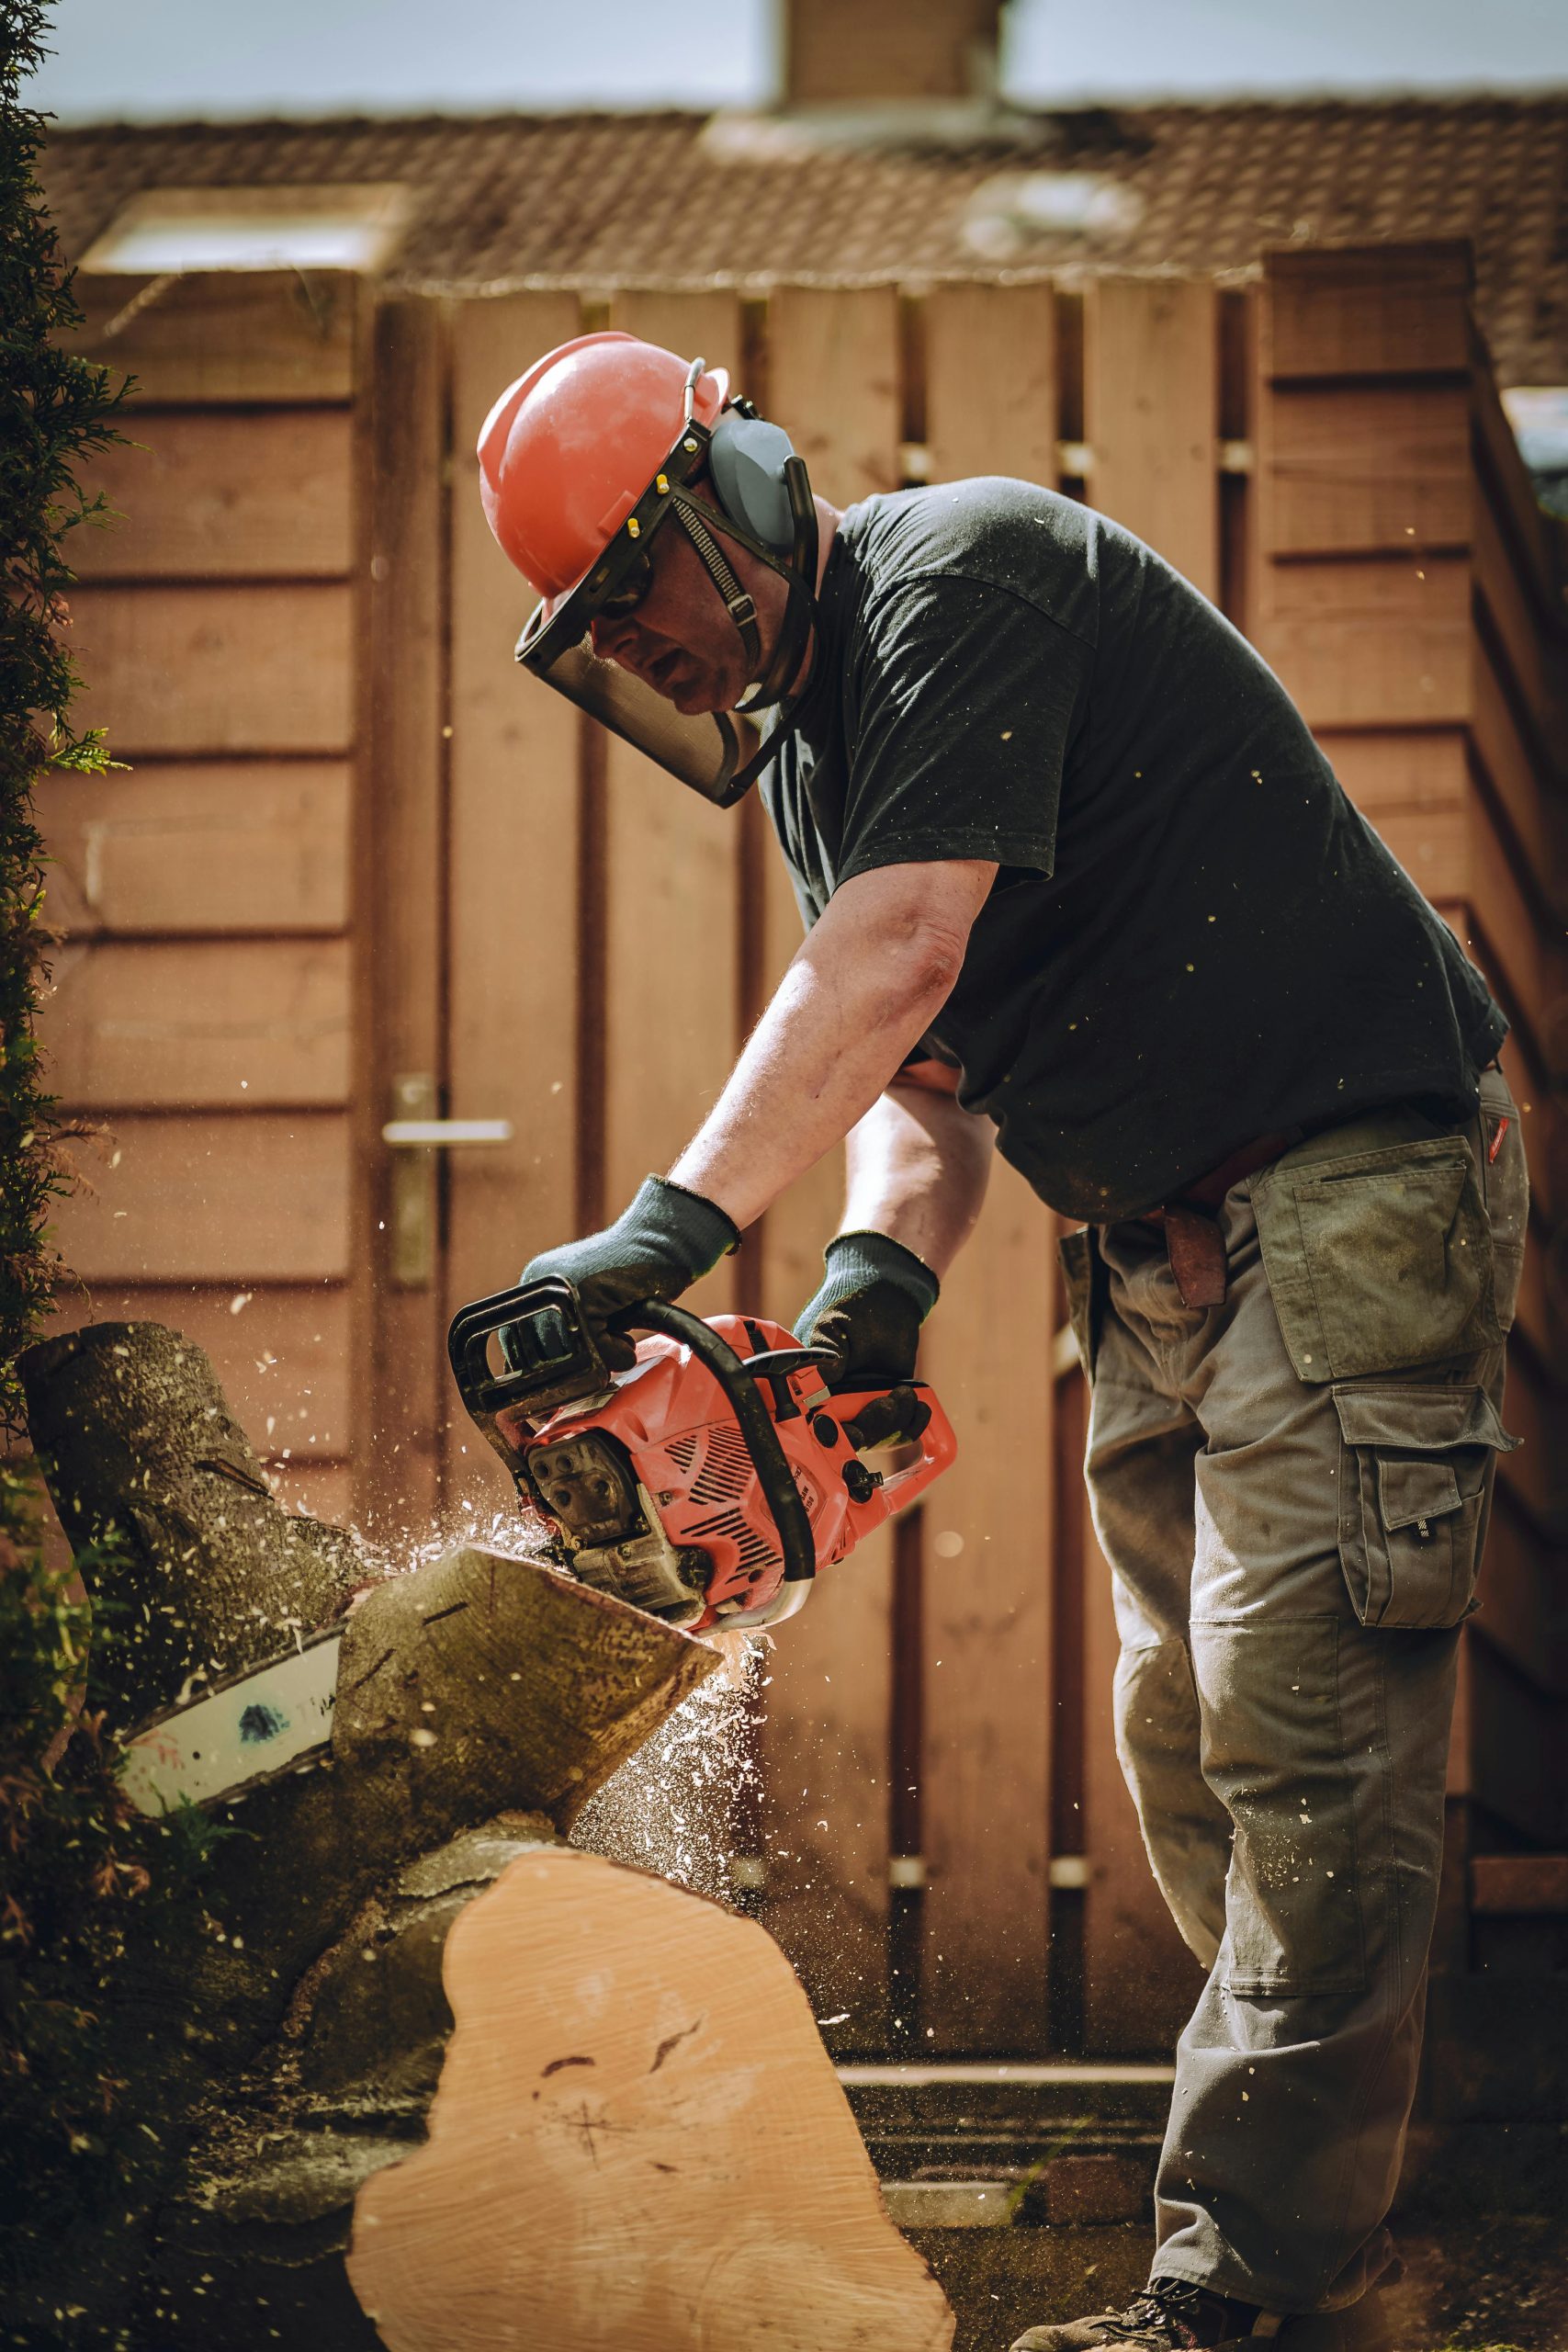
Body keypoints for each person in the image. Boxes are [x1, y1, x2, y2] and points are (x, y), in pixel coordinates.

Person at [474, 333, 1527, 2351]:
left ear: (733, 494)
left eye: (639, 590)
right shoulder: (812, 754)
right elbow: (927, 1079)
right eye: (599, 626)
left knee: (1298, 1734)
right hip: (1148, 1243)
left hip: (1344, 1172)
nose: (645, 643)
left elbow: (895, 955)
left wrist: (668, 1233)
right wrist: (877, 1279)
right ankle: (1317, 2235)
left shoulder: (964, 575)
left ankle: (1240, 2292)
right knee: (1190, 1746)